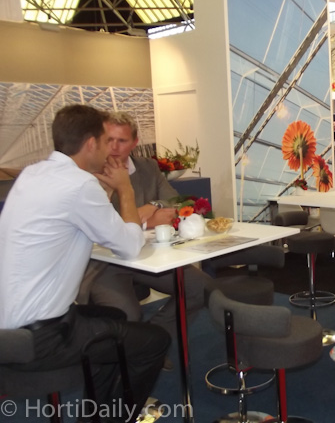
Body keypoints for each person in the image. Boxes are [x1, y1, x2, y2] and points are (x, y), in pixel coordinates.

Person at [0, 105, 170, 422]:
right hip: (42, 337)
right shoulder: (79, 185)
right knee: (155, 342)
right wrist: (124, 188)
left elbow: (89, 222)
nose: (110, 151)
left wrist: (108, 190)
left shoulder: (33, 174)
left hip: (9, 327)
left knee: (115, 318)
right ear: (91, 143)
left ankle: (96, 415)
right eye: (106, 142)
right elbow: (130, 247)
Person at [80, 112, 217, 367]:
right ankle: (134, 359)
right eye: (108, 139)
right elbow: (100, 226)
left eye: (121, 141)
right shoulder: (89, 172)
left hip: (147, 255)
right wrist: (144, 221)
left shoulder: (147, 167)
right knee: (126, 313)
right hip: (104, 263)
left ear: (134, 142)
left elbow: (175, 200)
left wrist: (153, 205)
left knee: (200, 287)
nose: (113, 147)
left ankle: (154, 340)